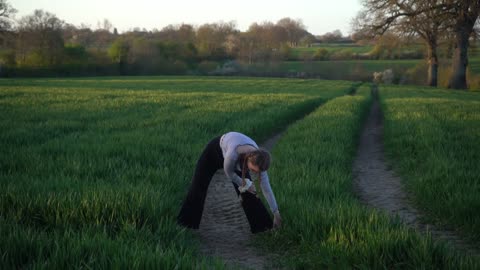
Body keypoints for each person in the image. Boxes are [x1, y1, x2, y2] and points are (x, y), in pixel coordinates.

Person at [177, 131, 282, 233]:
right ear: (249, 158)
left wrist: (275, 212)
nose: (253, 172)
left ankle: (263, 228)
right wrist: (243, 184)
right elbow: (229, 173)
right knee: (198, 185)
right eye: (253, 170)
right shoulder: (233, 154)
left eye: (256, 171)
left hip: (240, 158)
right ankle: (186, 224)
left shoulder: (260, 159)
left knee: (248, 192)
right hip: (214, 151)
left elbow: (266, 188)